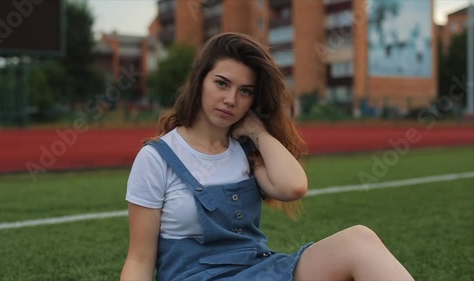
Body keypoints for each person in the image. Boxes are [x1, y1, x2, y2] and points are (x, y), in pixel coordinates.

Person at [120, 32, 414, 281]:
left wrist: (258, 132)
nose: (231, 100)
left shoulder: (246, 150)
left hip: (256, 269)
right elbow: (139, 260)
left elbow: (293, 187)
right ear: (200, 81)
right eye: (222, 83)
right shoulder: (156, 158)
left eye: (244, 91)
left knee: (359, 240)